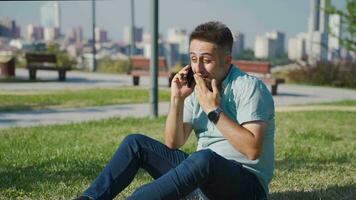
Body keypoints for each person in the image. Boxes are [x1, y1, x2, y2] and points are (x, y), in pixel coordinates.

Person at [74, 21, 274, 200]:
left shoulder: (249, 87)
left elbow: (252, 149)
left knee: (204, 158)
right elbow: (173, 142)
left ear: (227, 60)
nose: (197, 67)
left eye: (206, 59)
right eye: (193, 59)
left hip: (245, 187)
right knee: (135, 143)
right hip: (202, 181)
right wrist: (177, 99)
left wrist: (213, 110)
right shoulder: (197, 88)